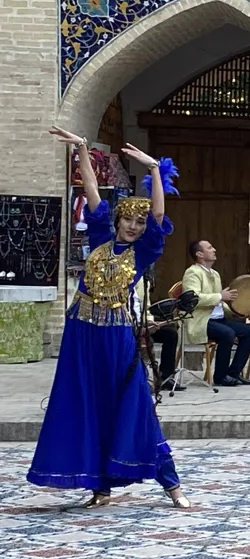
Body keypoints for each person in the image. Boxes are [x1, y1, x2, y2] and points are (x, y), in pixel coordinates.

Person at [27, 127, 190, 510]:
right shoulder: (100, 235)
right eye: (128, 221)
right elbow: (90, 190)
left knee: (132, 402)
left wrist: (153, 171)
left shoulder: (146, 250)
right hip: (82, 330)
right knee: (86, 403)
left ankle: (171, 482)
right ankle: (100, 486)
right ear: (117, 221)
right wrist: (82, 150)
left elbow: (159, 214)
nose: (133, 226)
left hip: (117, 333)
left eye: (138, 222)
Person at [183, 239, 250, 387]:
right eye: (210, 248)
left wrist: (236, 312)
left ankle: (233, 373)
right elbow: (193, 298)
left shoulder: (215, 274)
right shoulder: (192, 272)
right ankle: (220, 377)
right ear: (199, 254)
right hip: (201, 320)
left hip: (218, 319)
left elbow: (220, 302)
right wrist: (220, 296)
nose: (214, 249)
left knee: (249, 332)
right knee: (227, 333)